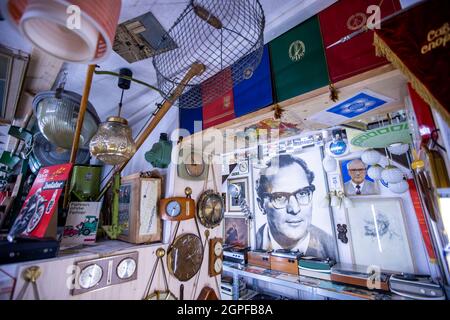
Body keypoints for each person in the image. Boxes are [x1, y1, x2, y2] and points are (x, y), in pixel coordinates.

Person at [255, 154, 336, 260]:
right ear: (261, 205)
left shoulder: (331, 247)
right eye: (279, 197)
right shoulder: (253, 241)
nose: (295, 209)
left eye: (302, 193)